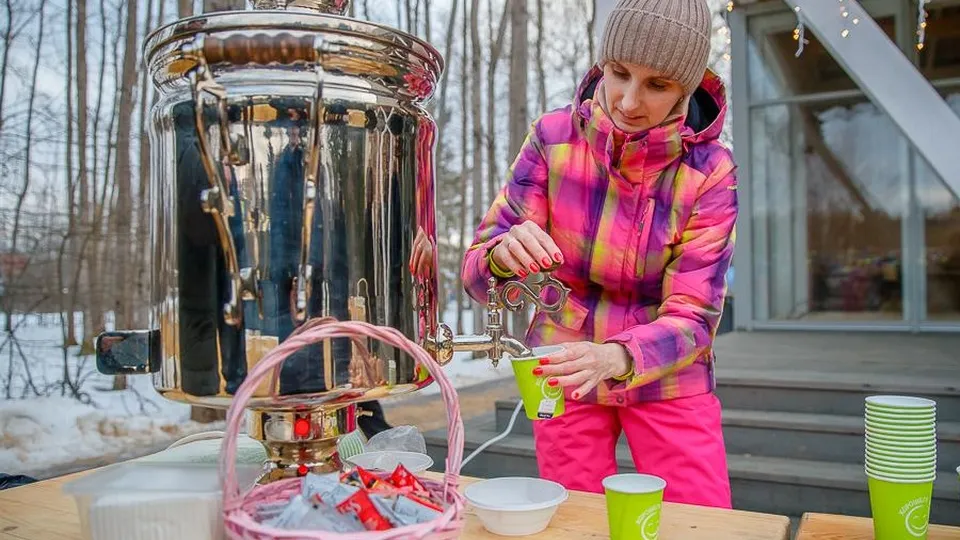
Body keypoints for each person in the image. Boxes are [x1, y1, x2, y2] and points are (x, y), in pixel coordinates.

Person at [461, 0, 737, 508]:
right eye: (619, 73)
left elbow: (696, 316)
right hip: (562, 366)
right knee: (575, 519)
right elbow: (477, 277)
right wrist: (501, 256)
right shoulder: (551, 140)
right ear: (603, 64)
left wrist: (618, 355)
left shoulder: (710, 171)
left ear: (687, 86)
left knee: (701, 519)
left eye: (657, 85)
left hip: (669, 374)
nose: (629, 100)